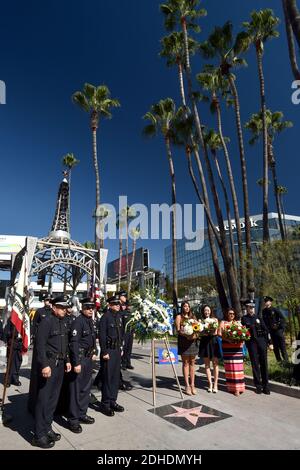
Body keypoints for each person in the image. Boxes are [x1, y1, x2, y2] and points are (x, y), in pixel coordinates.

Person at [31, 295, 71, 449]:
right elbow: (40, 345)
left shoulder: (63, 322)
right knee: (43, 399)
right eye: (61, 307)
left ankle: (47, 428)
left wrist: (67, 360)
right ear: (54, 307)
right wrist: (44, 365)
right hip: (49, 365)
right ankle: (38, 435)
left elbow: (64, 344)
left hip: (60, 364)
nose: (63, 310)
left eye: (64, 307)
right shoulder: (46, 321)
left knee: (53, 399)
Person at [68, 297, 97, 433]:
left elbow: (92, 339)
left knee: (86, 388)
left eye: (92, 308)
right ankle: (73, 420)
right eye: (88, 308)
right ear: (82, 308)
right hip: (80, 359)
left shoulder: (90, 322)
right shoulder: (78, 322)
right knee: (76, 390)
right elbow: (73, 343)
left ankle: (82, 413)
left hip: (88, 358)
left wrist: (94, 351)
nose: (91, 310)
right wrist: (76, 362)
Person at [98, 295, 124, 416]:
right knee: (107, 378)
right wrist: (104, 352)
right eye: (115, 304)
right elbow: (102, 336)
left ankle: (113, 400)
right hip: (108, 351)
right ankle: (105, 404)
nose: (118, 306)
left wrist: (121, 347)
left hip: (117, 350)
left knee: (115, 377)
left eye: (118, 304)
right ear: (109, 305)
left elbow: (120, 333)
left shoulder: (118, 316)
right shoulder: (105, 318)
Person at [242, 300, 270, 395]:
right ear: (246, 308)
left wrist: (269, 342)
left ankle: (266, 386)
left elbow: (266, 330)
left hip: (262, 342)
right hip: (252, 343)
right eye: (249, 307)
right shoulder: (244, 319)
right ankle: (258, 385)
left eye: (253, 307)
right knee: (255, 365)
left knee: (264, 364)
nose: (251, 309)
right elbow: (243, 332)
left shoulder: (259, 317)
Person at [218, 308, 246, 397]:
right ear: (227, 314)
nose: (231, 315)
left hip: (237, 348)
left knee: (238, 368)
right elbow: (219, 333)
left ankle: (239, 387)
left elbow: (243, 333)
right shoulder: (223, 322)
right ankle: (232, 388)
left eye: (233, 313)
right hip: (228, 348)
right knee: (230, 368)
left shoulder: (237, 323)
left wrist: (241, 339)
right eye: (230, 313)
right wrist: (228, 339)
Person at [175, 301, 198, 395]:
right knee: (185, 363)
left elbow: (198, 328)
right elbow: (178, 330)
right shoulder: (179, 317)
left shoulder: (193, 317)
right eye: (185, 306)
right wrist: (186, 335)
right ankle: (187, 385)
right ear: (182, 308)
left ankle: (193, 385)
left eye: (188, 306)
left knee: (192, 363)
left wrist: (195, 336)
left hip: (193, 342)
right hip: (184, 342)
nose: (187, 308)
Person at [198, 305, 221, 393]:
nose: (207, 312)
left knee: (215, 363)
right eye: (205, 310)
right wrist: (204, 331)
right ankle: (210, 384)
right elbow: (200, 333)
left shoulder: (215, 320)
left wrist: (208, 330)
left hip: (213, 342)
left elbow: (215, 332)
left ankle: (215, 384)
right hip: (204, 342)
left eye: (208, 310)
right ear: (203, 312)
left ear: (210, 311)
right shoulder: (201, 321)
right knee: (207, 365)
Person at [262, 296, 288, 363]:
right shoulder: (264, 311)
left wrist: (280, 329)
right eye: (265, 301)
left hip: (278, 331)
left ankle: (286, 362)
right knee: (275, 348)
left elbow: (283, 319)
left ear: (270, 302)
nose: (266, 302)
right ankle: (279, 362)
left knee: (282, 347)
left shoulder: (275, 310)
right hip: (271, 332)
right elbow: (264, 322)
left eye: (267, 301)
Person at [3, 318, 23, 387]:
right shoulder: (12, 318)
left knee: (18, 361)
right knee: (10, 362)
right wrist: (10, 334)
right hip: (12, 342)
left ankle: (15, 379)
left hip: (20, 343)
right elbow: (6, 330)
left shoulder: (24, 319)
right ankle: (7, 380)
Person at [118, 290, 134, 370]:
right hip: (123, 331)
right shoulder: (118, 306)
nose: (125, 298)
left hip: (130, 331)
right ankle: (123, 363)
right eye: (123, 296)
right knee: (123, 348)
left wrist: (133, 331)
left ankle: (128, 362)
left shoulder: (128, 307)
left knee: (129, 347)